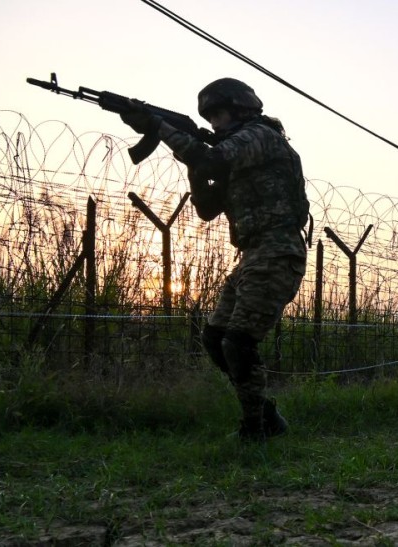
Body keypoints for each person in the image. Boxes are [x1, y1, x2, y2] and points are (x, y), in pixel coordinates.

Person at [120, 78, 309, 440]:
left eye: (219, 116)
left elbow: (210, 158)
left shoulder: (260, 137)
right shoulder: (234, 156)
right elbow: (207, 208)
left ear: (241, 110)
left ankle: (256, 429)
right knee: (215, 337)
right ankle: (264, 414)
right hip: (253, 254)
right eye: (209, 119)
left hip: (278, 249)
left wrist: (160, 128)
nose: (214, 125)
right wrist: (188, 162)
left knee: (238, 341)